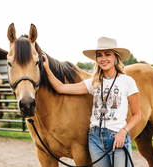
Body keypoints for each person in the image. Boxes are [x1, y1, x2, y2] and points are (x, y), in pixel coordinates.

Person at [42, 37, 141, 167]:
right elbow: (61, 88)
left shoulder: (128, 82)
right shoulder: (94, 83)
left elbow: (137, 115)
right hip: (95, 138)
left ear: (116, 58)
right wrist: (47, 68)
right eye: (99, 55)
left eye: (107, 54)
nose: (103, 58)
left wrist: (123, 131)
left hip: (117, 136)